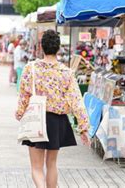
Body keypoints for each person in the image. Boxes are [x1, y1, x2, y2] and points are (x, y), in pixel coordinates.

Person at [16, 30, 90, 188]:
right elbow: (77, 101)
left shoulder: (31, 68)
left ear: (41, 47)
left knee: (36, 167)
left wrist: (20, 112)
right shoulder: (66, 72)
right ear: (58, 49)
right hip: (57, 122)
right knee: (52, 164)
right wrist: (83, 127)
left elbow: (23, 94)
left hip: (36, 119)